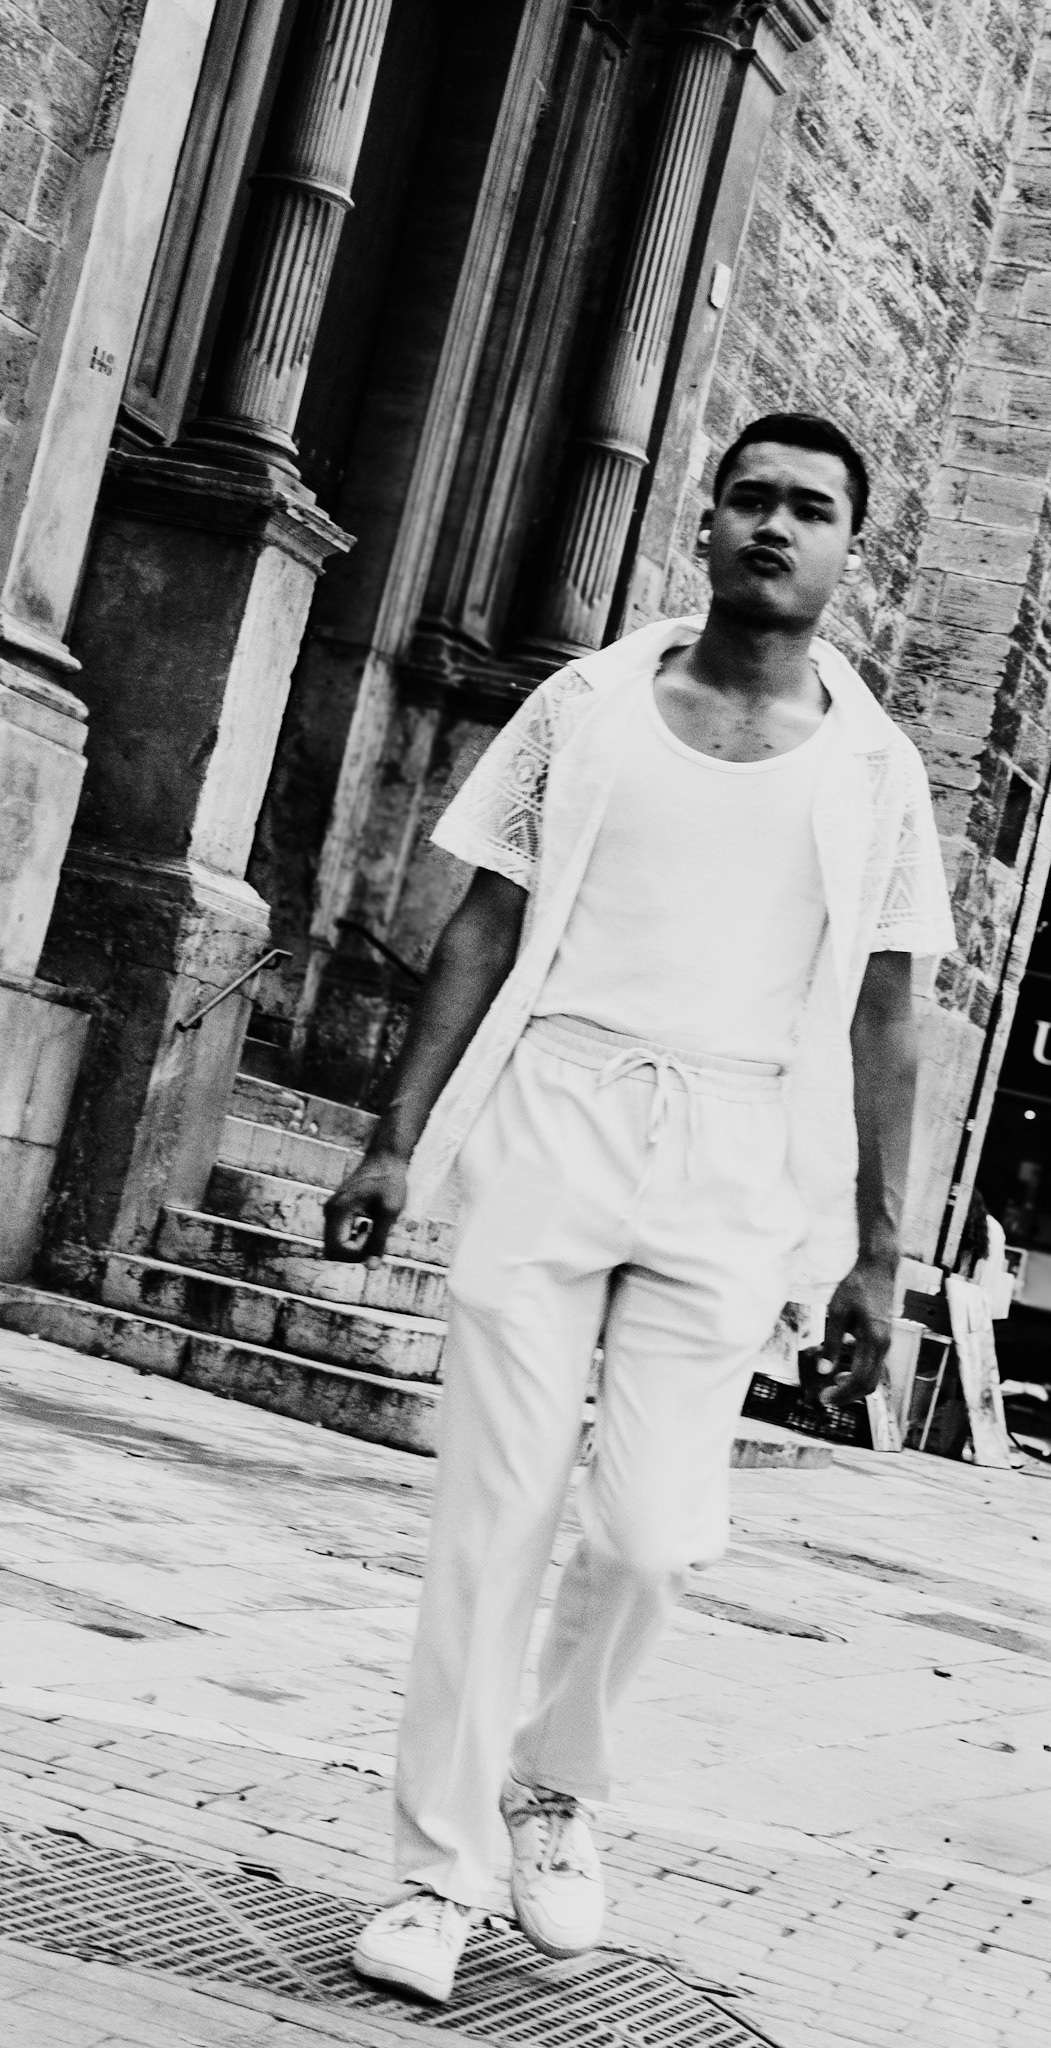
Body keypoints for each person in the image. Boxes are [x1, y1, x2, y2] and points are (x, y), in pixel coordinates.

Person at [323, 413, 957, 2005]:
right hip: (560, 1112)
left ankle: (555, 1781)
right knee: (494, 1517)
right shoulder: (588, 704)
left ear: (847, 554)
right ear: (704, 522)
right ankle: (432, 1876)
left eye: (810, 510)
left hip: (740, 1147)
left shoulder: (877, 770)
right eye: (751, 498)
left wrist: (883, 1253)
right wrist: (394, 1141)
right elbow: (482, 922)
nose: (775, 527)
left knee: (656, 1535)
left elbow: (893, 1011)